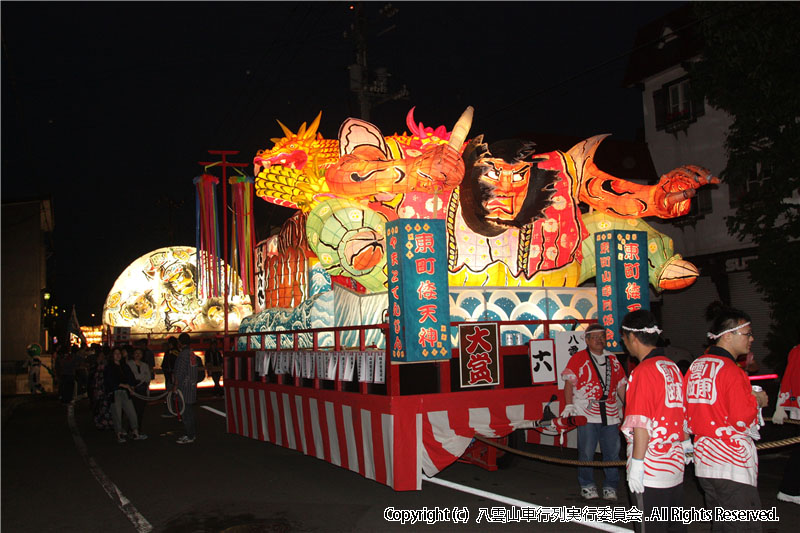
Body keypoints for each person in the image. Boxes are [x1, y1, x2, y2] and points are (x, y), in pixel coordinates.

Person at [684, 302, 767, 532]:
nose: (751, 339)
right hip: (732, 465)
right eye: (747, 334)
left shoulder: (697, 366)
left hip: (705, 463)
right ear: (728, 335)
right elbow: (741, 418)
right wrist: (757, 400)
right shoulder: (732, 371)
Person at [620, 310, 689, 533]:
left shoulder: (643, 372)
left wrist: (637, 465)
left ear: (632, 337)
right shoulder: (672, 367)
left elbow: (641, 423)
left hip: (651, 468)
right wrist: (687, 444)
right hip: (674, 465)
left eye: (623, 338)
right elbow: (681, 411)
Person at [561, 323, 627, 501]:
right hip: (587, 411)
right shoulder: (579, 358)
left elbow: (621, 385)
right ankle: (587, 484)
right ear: (587, 340)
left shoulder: (613, 359)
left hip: (611, 411)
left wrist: (629, 407)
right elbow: (569, 383)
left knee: (612, 452)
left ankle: (611, 486)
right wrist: (569, 405)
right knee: (586, 451)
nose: (599, 340)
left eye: (602, 336)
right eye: (595, 337)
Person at [772, 342, 800, 505]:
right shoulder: (797, 351)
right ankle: (790, 489)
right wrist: (781, 406)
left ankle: (790, 489)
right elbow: (790, 377)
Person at [104, 347, 147, 443]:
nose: (118, 355)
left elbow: (131, 377)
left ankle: (135, 432)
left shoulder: (124, 366)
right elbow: (110, 381)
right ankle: (119, 434)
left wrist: (131, 386)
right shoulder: (109, 367)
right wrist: (125, 385)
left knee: (132, 412)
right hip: (115, 393)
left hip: (126, 392)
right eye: (116, 353)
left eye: (119, 353)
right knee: (117, 414)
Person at [173, 332, 198, 444]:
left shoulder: (183, 355)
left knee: (185, 412)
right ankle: (191, 434)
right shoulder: (192, 353)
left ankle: (190, 435)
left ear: (180, 342)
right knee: (189, 411)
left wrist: (175, 385)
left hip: (184, 387)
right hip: (192, 386)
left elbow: (180, 372)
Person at [127, 347, 151, 432]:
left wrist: (140, 378)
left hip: (142, 391)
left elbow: (148, 378)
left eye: (139, 353)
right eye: (136, 353)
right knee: (132, 411)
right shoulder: (129, 364)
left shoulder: (145, 365)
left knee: (140, 411)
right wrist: (142, 378)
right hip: (133, 391)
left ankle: (138, 429)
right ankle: (132, 429)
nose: (137, 355)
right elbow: (133, 377)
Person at [92, 348, 114, 430]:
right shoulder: (102, 364)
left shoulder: (103, 364)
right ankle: (105, 422)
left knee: (103, 406)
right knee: (103, 406)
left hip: (102, 388)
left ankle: (103, 422)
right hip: (101, 388)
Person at [160, 337, 179, 418]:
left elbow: (166, 365)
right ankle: (178, 411)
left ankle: (170, 411)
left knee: (169, 394)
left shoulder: (170, 352)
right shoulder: (178, 352)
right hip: (175, 376)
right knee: (175, 395)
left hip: (170, 376)